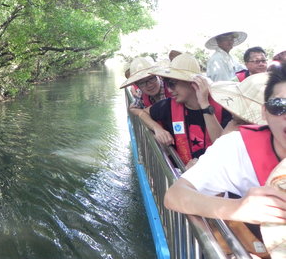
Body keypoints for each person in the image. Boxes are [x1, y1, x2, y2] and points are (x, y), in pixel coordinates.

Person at [164, 62, 286, 226]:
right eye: (279, 106)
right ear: (264, 112)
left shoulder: (218, 114)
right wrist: (238, 208)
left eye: (173, 83)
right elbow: (174, 195)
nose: (169, 88)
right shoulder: (237, 145)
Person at [146, 53, 232, 165]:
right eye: (166, 84)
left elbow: (223, 146)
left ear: (193, 84)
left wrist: (205, 105)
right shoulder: (167, 106)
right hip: (183, 173)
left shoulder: (223, 106)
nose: (169, 89)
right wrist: (157, 128)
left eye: (172, 84)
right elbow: (142, 113)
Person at [121, 57, 174, 146]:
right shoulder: (142, 94)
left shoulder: (172, 89)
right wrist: (156, 128)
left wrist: (139, 112)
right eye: (142, 83)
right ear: (137, 85)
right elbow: (135, 108)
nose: (149, 85)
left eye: (151, 78)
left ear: (158, 76)